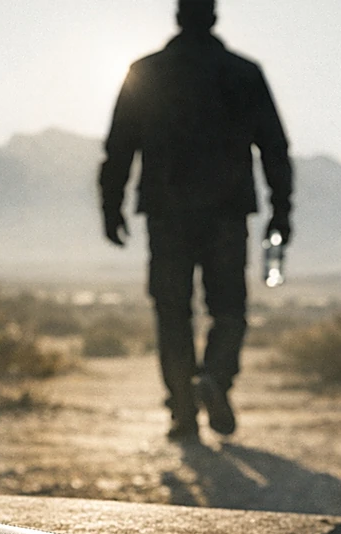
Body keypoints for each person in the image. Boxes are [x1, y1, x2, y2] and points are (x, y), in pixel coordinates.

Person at [99, 0, 293, 442]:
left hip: (167, 213)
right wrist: (281, 210)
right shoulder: (243, 73)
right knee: (229, 309)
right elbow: (275, 148)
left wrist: (111, 206)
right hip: (227, 213)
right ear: (213, 18)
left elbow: (119, 147)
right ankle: (215, 380)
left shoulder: (146, 71)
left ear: (179, 18)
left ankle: (183, 412)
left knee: (172, 312)